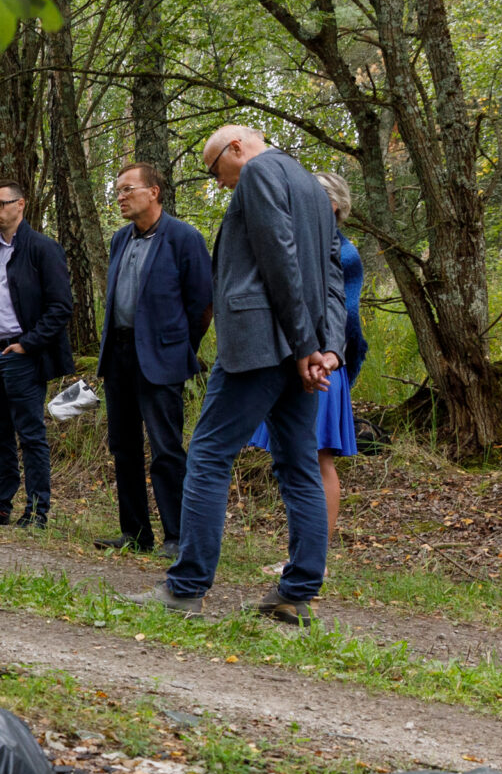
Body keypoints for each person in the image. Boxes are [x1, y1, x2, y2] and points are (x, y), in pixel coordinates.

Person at [146, 125, 346, 625]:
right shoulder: (309, 184)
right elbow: (332, 274)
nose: (218, 184)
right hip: (301, 349)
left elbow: (281, 258)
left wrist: (306, 346)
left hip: (261, 346)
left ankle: (185, 588)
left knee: (210, 455)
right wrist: (328, 349)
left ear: (237, 149)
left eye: (216, 171)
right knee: (299, 465)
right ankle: (296, 594)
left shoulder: (259, 173)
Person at [95, 164, 213, 557]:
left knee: (166, 448)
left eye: (128, 189)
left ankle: (177, 537)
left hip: (162, 358)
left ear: (154, 192)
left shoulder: (184, 238)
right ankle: (135, 534)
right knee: (123, 447)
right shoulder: (119, 240)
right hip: (119, 357)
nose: (120, 197)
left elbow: (202, 304)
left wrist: (179, 346)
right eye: (118, 191)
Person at [247, 169, 365, 540]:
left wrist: (337, 364)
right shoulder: (300, 245)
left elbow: (347, 323)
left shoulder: (343, 254)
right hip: (289, 363)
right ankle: (303, 554)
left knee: (317, 459)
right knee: (295, 458)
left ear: (330, 205)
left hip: (323, 366)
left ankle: (317, 556)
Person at [0, 181, 73, 529]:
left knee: (30, 434)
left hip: (21, 356)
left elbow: (61, 307)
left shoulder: (42, 249)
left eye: (0, 204)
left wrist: (28, 344)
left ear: (20, 205)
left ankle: (37, 512)